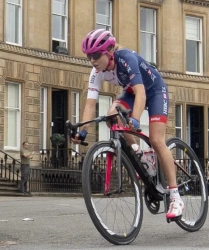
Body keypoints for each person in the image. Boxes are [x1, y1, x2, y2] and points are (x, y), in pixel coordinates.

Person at [71, 29, 183, 220]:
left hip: (154, 91)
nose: (92, 60)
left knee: (156, 140)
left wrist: (135, 119)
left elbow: (142, 93)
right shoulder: (96, 72)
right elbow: (90, 105)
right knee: (111, 116)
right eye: (89, 56)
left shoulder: (126, 58)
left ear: (109, 51)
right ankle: (137, 151)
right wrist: (82, 132)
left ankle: (175, 197)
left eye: (96, 55)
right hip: (131, 92)